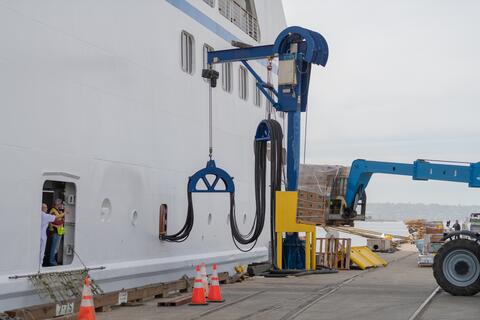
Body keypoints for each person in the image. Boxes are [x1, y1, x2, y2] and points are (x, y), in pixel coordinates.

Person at [48, 199, 65, 266]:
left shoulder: (58, 210)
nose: (61, 205)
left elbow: (61, 220)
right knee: (54, 248)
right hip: (55, 231)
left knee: (56, 248)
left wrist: (62, 213)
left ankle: (53, 261)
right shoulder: (53, 210)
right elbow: (54, 219)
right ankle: (52, 262)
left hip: (60, 231)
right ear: (57, 204)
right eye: (61, 204)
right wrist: (64, 213)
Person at [40, 203, 56, 268]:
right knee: (41, 251)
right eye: (46, 207)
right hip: (42, 236)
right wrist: (64, 213)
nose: (47, 208)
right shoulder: (45, 215)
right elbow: (56, 217)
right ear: (43, 208)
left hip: (39, 235)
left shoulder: (40, 214)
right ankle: (40, 265)